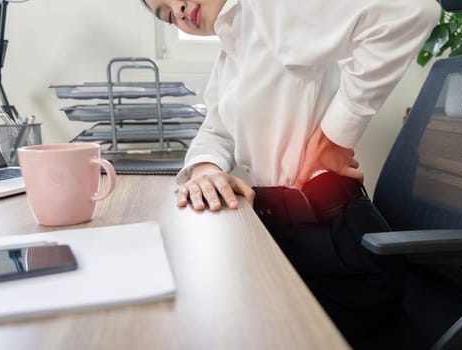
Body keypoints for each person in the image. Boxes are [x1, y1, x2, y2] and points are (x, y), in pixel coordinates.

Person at [142, 0, 440, 346]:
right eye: (165, 15)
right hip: (287, 235)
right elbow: (216, 129)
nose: (177, 10)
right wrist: (206, 170)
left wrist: (336, 133)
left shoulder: (272, 8)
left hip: (337, 250)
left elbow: (413, 11)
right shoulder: (230, 57)